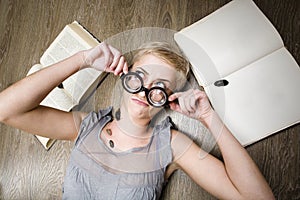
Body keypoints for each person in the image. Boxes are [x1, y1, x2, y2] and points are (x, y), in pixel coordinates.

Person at [0, 42, 274, 199]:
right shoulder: (87, 126)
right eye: (140, 76)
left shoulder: (172, 145)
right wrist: (81, 59)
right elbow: (6, 110)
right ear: (126, 76)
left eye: (159, 87)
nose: (144, 91)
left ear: (166, 99)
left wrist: (208, 117)